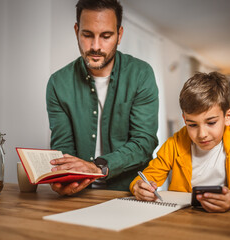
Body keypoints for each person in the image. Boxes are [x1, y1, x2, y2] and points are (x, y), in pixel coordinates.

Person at [46, 0, 159, 195]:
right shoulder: (58, 83)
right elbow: (62, 146)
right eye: (87, 35)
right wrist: (64, 177)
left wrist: (99, 168)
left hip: (129, 193)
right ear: (76, 31)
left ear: (119, 35)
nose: (95, 46)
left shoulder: (141, 74)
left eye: (106, 36)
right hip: (79, 193)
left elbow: (144, 142)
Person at [130, 72, 230, 213]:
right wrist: (139, 187)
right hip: (184, 216)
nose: (202, 134)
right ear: (184, 119)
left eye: (211, 123)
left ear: (228, 117)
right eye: (192, 125)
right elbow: (147, 176)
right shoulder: (175, 143)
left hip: (226, 216)